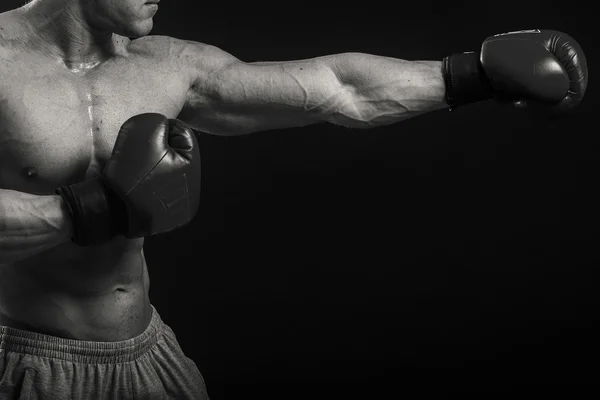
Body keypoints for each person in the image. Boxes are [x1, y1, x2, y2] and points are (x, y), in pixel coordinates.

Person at [0, 0, 588, 398]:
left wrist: (474, 75)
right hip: (23, 365)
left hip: (146, 358)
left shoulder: (166, 64)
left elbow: (340, 89)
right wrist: (88, 210)